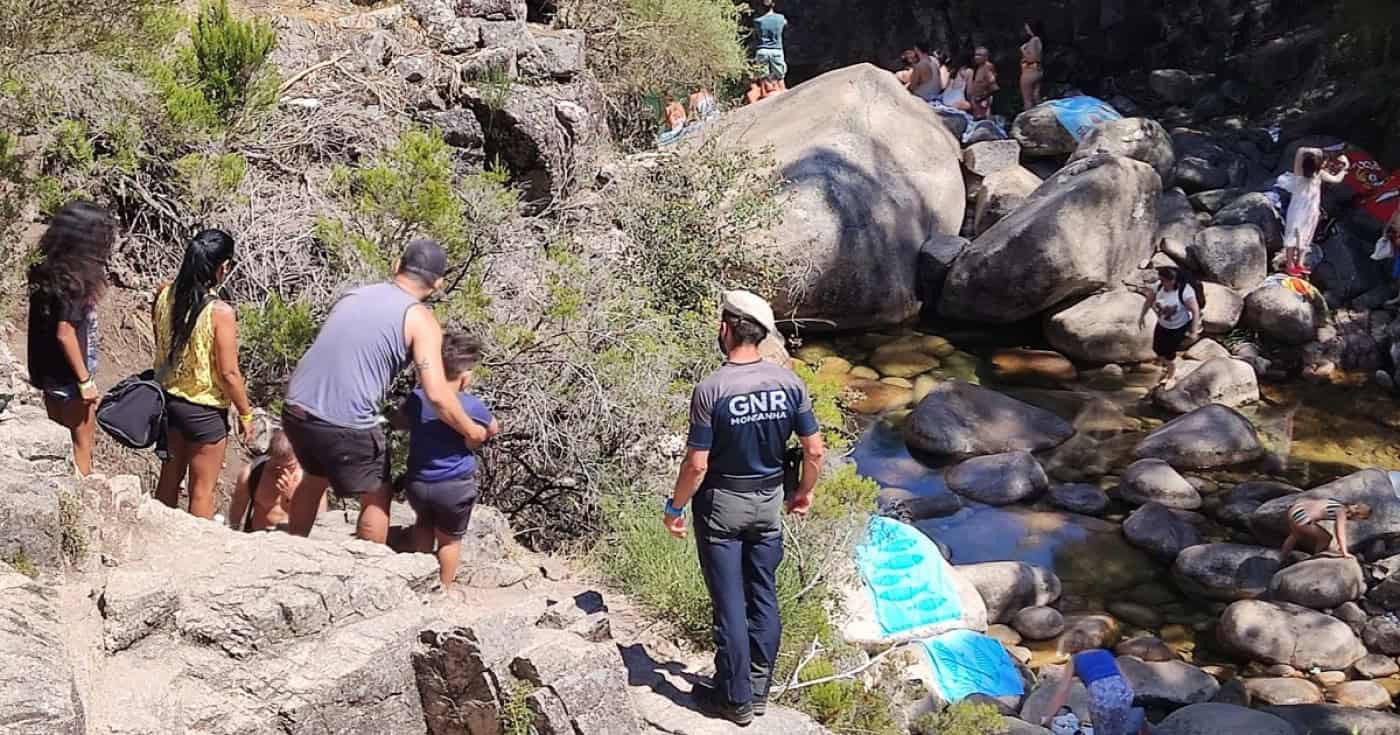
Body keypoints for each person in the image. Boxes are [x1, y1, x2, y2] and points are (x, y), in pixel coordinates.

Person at [666, 290, 826, 726]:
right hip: (769, 504)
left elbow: (697, 463)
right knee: (763, 596)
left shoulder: (712, 389)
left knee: (730, 603)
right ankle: (758, 693)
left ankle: (733, 698)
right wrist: (804, 493)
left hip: (721, 507)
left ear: (726, 329)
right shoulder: (789, 384)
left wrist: (675, 507)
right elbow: (813, 451)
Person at [281, 238, 490, 542]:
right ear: (439, 283)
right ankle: (372, 570)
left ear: (397, 266)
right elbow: (437, 394)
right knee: (377, 492)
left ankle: (293, 544)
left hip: (296, 407)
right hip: (346, 420)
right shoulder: (421, 320)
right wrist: (471, 431)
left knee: (314, 476)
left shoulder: (355, 294)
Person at [152, 229, 256, 519]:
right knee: (202, 492)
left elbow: (162, 342)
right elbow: (228, 372)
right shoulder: (220, 312)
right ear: (222, 267)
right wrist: (245, 414)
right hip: (205, 411)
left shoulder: (163, 294)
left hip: (168, 402)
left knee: (168, 481)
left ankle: (159, 536)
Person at [391, 330, 499, 594]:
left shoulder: (417, 399)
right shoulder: (471, 406)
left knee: (423, 526)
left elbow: (399, 421)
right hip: (454, 487)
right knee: (450, 541)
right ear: (465, 376)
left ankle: (417, 581)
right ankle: (444, 589)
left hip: (418, 481)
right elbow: (492, 429)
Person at [26, 201, 116, 476]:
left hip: (47, 370)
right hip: (71, 377)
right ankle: (81, 500)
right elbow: (65, 332)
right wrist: (85, 381)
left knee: (58, 437)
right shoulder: (75, 280)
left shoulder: (45, 270)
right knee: (81, 443)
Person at [1040, 628, 1149, 735]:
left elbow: (1062, 692)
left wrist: (1048, 717)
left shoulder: (1075, 660)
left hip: (1099, 696)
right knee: (1119, 729)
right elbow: (1128, 682)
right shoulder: (1106, 653)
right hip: (1123, 692)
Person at [227, 429, 325, 532]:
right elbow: (237, 508)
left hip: (291, 540)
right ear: (270, 456)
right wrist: (234, 532)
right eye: (276, 467)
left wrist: (291, 498)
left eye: (290, 467)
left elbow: (320, 523)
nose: (283, 471)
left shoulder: (312, 481)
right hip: (257, 536)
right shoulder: (251, 474)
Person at [1281, 147, 1350, 277]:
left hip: (1305, 210)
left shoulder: (1303, 173)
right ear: (1317, 166)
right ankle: (1291, 265)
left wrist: (1315, 151)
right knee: (1297, 235)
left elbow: (1300, 151)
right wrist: (1344, 168)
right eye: (1322, 161)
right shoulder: (1307, 174)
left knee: (1301, 235)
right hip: (1303, 210)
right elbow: (1337, 179)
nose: (1325, 163)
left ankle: (1298, 264)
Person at [1131, 265, 1200, 388]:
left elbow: (1195, 310)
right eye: (1161, 280)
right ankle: (1169, 367)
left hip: (1178, 326)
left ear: (1173, 280)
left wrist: (1193, 331)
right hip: (1163, 324)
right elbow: (1149, 300)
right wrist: (1142, 316)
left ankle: (1172, 375)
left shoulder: (1185, 291)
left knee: (1169, 353)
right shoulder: (1159, 287)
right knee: (1157, 349)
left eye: (1164, 281)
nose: (1162, 283)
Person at [1278, 498, 1371, 562]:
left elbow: (1335, 527)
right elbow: (1340, 532)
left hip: (1294, 509)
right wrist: (1345, 552)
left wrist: (1338, 546)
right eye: (1362, 519)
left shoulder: (1338, 504)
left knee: (1295, 535)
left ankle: (1282, 558)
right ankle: (1314, 559)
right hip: (1301, 516)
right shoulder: (1341, 511)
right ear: (1358, 515)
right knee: (1325, 538)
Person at [751, 0, 788, 101]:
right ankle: (784, 93)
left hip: (762, 50)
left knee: (763, 76)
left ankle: (764, 95)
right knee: (780, 76)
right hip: (777, 50)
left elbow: (756, 35)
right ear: (773, 5)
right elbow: (785, 24)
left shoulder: (758, 21)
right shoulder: (780, 18)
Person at [968, 45, 999, 120]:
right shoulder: (979, 67)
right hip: (976, 104)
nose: (976, 57)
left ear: (986, 57)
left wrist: (984, 99)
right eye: (976, 55)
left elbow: (993, 85)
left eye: (979, 55)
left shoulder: (988, 67)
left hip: (983, 104)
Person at [1020, 22, 1045, 108]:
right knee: (1036, 96)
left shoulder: (1033, 41)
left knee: (1027, 99)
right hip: (1038, 70)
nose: (1026, 30)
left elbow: (1032, 58)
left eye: (1027, 28)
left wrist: (1023, 50)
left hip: (1030, 71)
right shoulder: (1038, 40)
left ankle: (1029, 119)